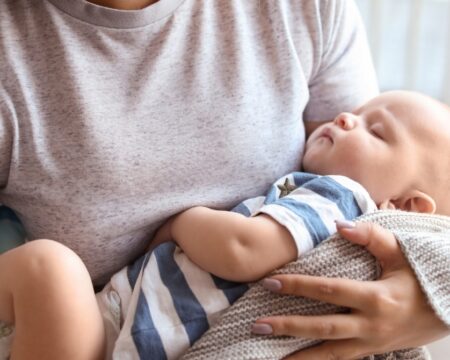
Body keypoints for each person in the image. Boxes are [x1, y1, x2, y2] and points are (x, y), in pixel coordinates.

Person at [0, 0, 448, 359]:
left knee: (47, 269)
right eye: (363, 116)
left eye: (375, 129)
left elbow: (243, 250)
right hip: (122, 324)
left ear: (408, 206)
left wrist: (434, 301)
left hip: (144, 330)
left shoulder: (343, 198)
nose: (349, 117)